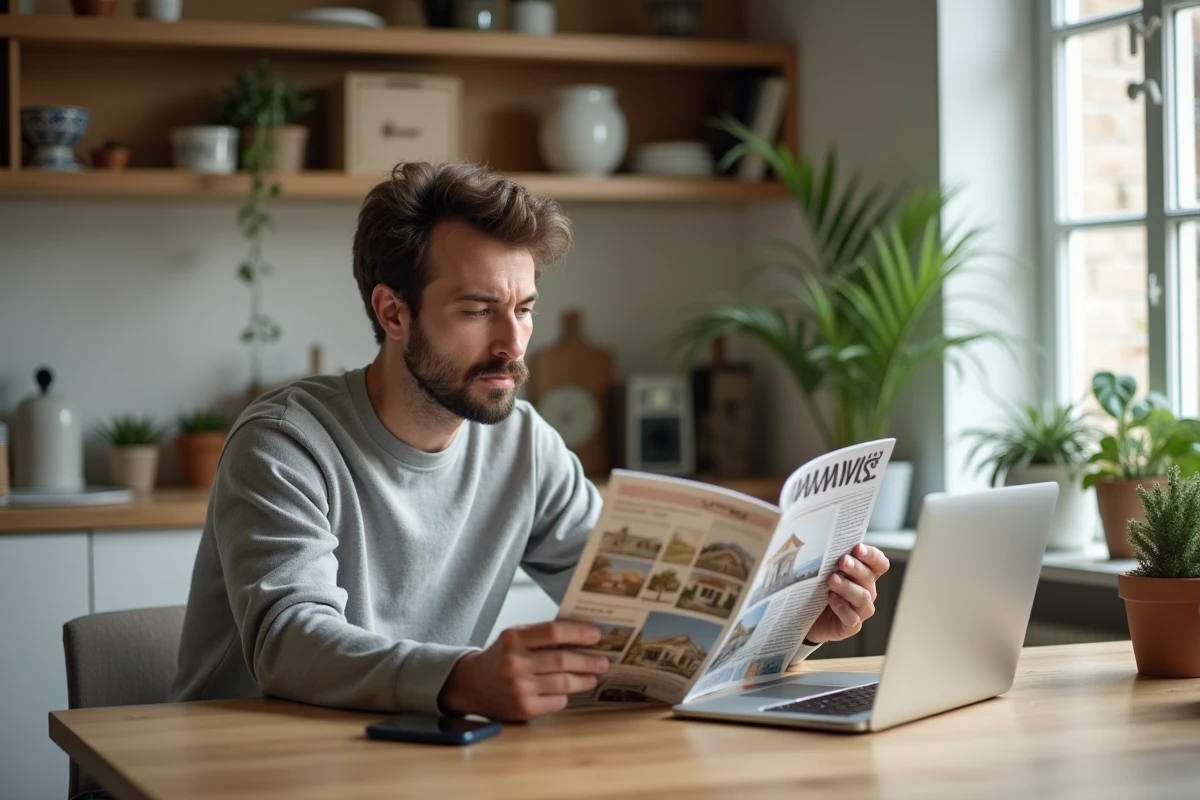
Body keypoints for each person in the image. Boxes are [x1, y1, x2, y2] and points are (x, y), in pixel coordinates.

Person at [169, 161, 890, 723]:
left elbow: (650, 620)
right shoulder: (285, 443)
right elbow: (289, 642)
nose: (513, 344)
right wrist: (462, 679)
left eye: (524, 308)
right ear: (392, 312)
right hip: (243, 768)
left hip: (418, 760)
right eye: (478, 310)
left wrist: (797, 626)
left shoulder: (524, 444)